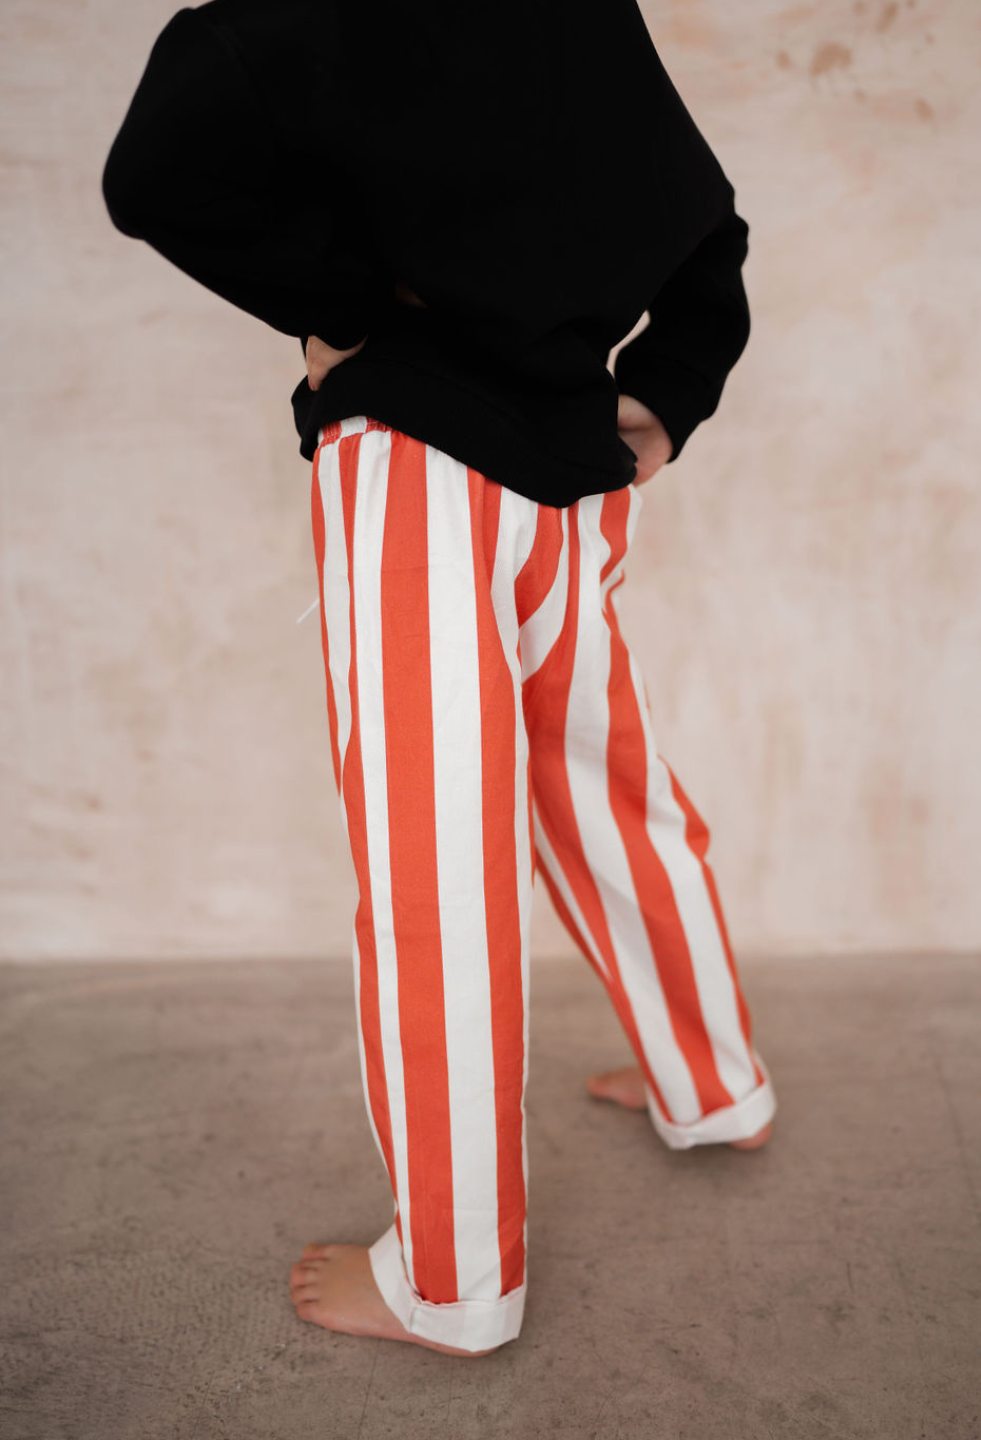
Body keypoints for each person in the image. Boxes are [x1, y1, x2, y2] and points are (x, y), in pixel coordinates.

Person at [101, 0, 777, 1358]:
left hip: (416, 460)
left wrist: (347, 306)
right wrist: (663, 392)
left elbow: (154, 166)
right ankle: (714, 1085)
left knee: (433, 870)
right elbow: (708, 223)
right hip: (576, 482)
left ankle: (457, 1280)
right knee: (605, 785)